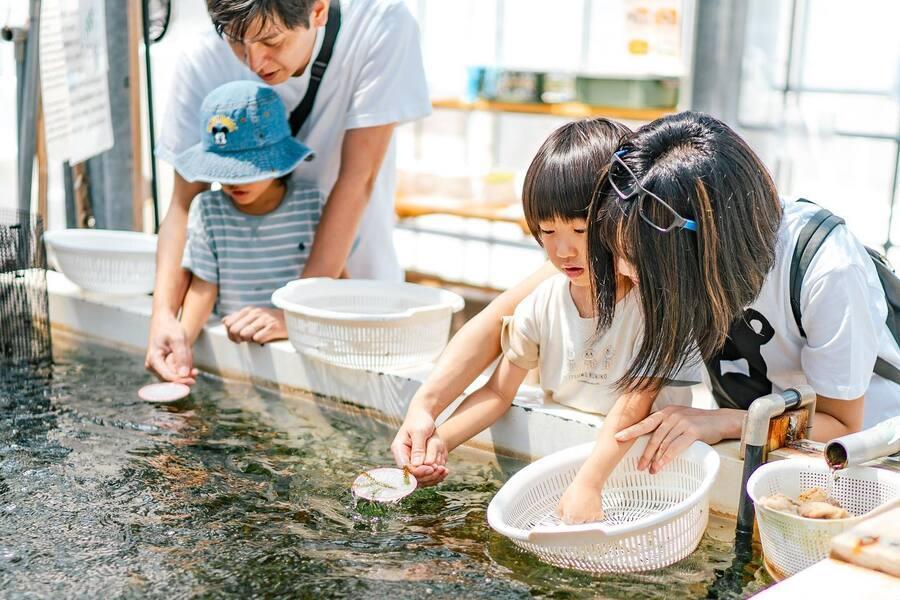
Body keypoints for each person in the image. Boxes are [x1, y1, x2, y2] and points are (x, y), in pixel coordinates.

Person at [393, 111, 900, 485]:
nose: (624, 270)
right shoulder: (656, 214)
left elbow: (841, 423)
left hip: (862, 459)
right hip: (754, 437)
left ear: (700, 246)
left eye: (634, 256)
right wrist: (426, 406)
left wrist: (719, 419)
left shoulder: (826, 270)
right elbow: (504, 316)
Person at [408, 119, 697, 523]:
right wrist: (440, 442)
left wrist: (589, 483)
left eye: (579, 229)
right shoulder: (541, 304)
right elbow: (497, 393)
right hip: (565, 461)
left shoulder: (654, 308)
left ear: (619, 218)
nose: (563, 250)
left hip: (643, 473)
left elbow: (633, 406)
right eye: (547, 230)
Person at [147, 0, 430, 384]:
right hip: (240, 308)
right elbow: (183, 203)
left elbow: (357, 180)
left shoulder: (382, 25)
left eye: (271, 41)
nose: (254, 60)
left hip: (354, 297)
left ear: (317, 10)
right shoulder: (202, 57)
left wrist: (299, 310)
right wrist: (164, 314)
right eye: (235, 41)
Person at [168, 80, 322, 362]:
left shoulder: (312, 205)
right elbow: (203, 287)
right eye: (223, 172)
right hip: (233, 348)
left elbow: (334, 282)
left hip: (294, 346)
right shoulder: (208, 209)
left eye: (244, 171)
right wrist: (182, 345)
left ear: (277, 158)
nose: (230, 183)